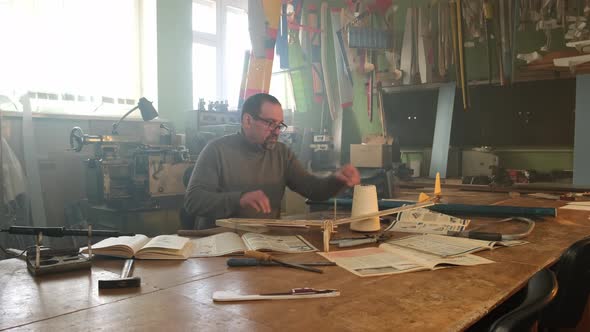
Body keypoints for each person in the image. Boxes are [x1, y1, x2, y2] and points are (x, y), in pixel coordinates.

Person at [184, 93, 360, 229]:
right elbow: (193, 201)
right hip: (220, 242)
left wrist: (337, 180)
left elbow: (312, 189)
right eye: (270, 123)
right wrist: (239, 199)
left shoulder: (281, 153)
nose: (277, 131)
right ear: (247, 120)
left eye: (279, 125)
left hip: (265, 240)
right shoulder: (216, 150)